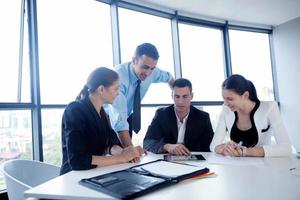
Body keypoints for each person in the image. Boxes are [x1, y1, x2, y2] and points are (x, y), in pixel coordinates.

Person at [60, 67, 142, 175]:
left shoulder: (102, 113)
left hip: (93, 174)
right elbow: (78, 160)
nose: (118, 94)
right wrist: (121, 158)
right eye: (116, 89)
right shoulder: (74, 110)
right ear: (101, 89)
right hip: (73, 177)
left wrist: (127, 153)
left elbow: (110, 144)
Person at [106, 43, 174, 148]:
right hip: (106, 118)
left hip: (126, 116)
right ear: (134, 61)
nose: (148, 73)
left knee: (128, 159)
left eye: (152, 68)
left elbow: (169, 77)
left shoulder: (153, 72)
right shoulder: (119, 78)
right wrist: (132, 151)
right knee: (115, 155)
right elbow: (119, 120)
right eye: (145, 67)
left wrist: (175, 93)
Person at [210, 74, 292, 157]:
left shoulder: (269, 108)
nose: (226, 103)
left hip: (263, 166)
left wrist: (244, 151)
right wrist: (224, 148)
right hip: (235, 166)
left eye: (230, 99)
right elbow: (213, 146)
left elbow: (286, 148)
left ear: (245, 95)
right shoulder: (226, 109)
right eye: (224, 99)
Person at [143, 78, 214, 155]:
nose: (180, 101)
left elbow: (210, 146)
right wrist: (166, 146)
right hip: (166, 161)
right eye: (177, 96)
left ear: (191, 96)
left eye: (185, 96)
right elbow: (147, 143)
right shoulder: (161, 115)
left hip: (194, 161)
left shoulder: (203, 117)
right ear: (172, 96)